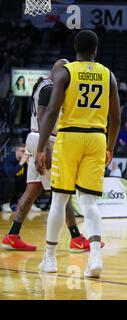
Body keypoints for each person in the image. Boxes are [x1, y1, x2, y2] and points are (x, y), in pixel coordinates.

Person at [35, 30, 121, 278]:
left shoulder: (66, 71)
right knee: (89, 201)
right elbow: (115, 117)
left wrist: (41, 146)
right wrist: (110, 147)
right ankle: (95, 257)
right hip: (96, 137)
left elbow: (51, 112)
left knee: (60, 200)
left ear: (76, 48)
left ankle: (50, 259)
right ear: (96, 49)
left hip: (70, 135)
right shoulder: (108, 74)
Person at [1, 59, 93, 252]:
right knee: (61, 190)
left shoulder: (42, 85)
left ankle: (12, 235)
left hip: (36, 138)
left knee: (33, 188)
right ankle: (76, 238)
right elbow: (44, 117)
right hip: (46, 139)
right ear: (59, 72)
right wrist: (46, 149)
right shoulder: (50, 88)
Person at [0, 143, 28, 213]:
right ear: (16, 151)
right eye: (22, 151)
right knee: (11, 180)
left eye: (25, 151)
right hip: (3, 183)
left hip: (14, 184)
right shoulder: (9, 159)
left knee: (27, 180)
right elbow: (10, 174)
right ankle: (5, 203)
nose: (24, 153)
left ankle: (28, 203)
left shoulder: (25, 161)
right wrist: (21, 163)